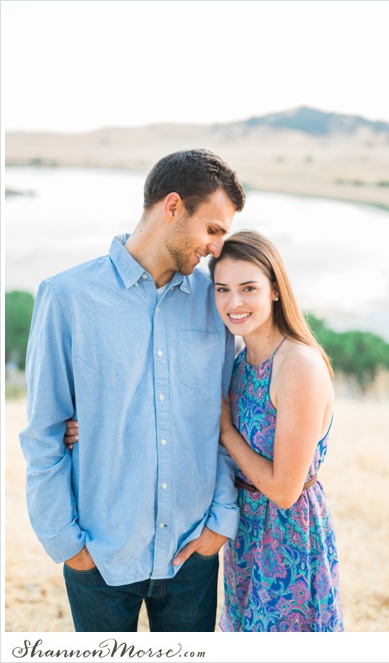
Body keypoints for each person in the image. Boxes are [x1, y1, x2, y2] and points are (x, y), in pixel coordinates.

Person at [20, 149, 246, 632]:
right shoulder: (67, 298)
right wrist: (67, 543)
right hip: (99, 556)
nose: (217, 248)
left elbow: (227, 418)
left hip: (192, 557)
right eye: (212, 229)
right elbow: (44, 432)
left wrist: (219, 523)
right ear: (172, 207)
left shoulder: (218, 301)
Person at [209, 230, 344, 632]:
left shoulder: (298, 365)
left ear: (274, 290)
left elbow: (286, 490)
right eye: (222, 289)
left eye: (248, 288)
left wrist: (227, 432)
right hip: (245, 532)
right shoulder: (236, 360)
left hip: (288, 537)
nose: (234, 303)